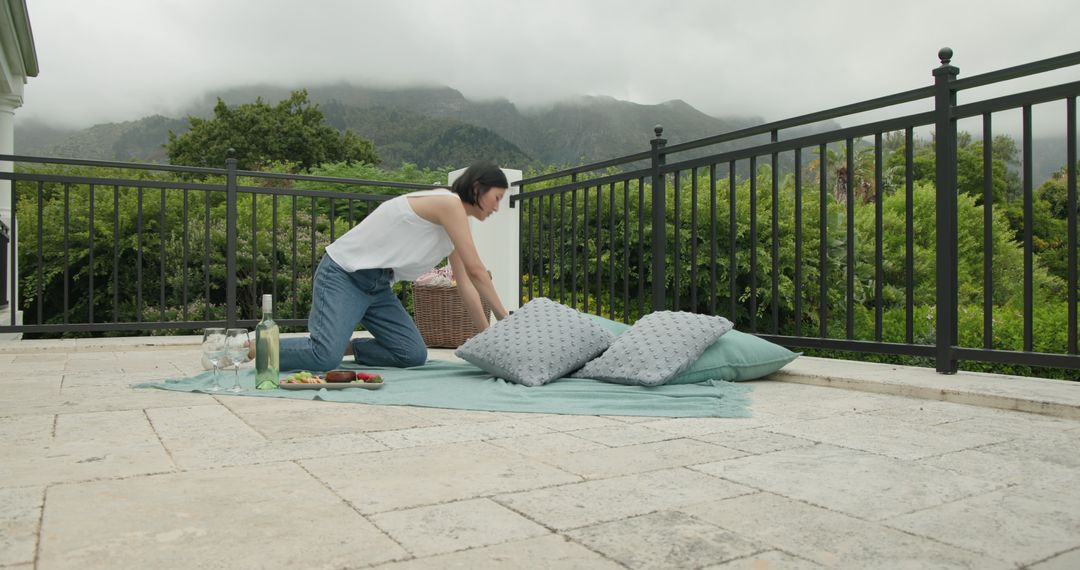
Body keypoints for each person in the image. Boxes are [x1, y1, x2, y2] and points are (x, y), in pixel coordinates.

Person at [276, 160, 511, 372]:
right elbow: (477, 271)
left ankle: (340, 346)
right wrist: (506, 321)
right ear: (478, 187)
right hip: (344, 275)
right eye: (497, 198)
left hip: (377, 288)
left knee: (412, 355)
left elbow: (465, 283)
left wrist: (486, 336)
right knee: (323, 359)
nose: (497, 207)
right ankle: (255, 348)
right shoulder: (448, 203)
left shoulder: (457, 224)